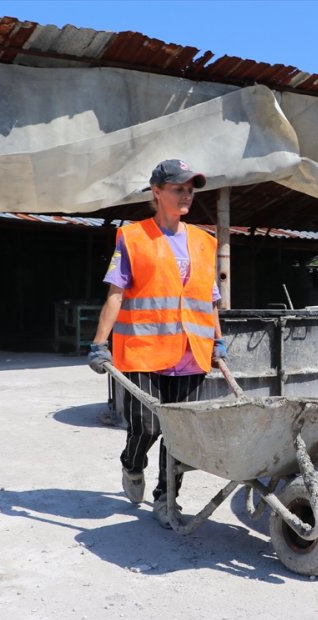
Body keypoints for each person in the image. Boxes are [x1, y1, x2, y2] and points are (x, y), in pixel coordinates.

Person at [87, 159, 228, 529]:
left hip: (190, 352)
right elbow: (116, 294)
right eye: (178, 189)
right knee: (147, 426)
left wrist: (218, 340)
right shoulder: (133, 238)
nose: (186, 196)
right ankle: (132, 465)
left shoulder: (204, 241)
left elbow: (210, 299)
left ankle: (167, 500)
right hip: (142, 350)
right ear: (157, 192)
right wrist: (100, 343)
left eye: (190, 190)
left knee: (181, 435)